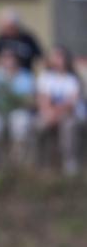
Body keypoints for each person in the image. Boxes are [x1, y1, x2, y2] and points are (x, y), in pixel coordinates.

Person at [0, 47, 36, 168]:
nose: (8, 60)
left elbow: (29, 100)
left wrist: (15, 101)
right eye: (5, 57)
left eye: (11, 57)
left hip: (18, 110)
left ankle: (17, 162)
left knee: (20, 124)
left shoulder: (26, 76)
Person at [35, 45, 83, 176]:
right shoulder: (45, 77)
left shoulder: (72, 79)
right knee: (38, 126)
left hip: (68, 115)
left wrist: (55, 114)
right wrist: (49, 113)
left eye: (59, 56)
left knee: (68, 126)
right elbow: (42, 99)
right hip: (48, 114)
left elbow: (71, 103)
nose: (56, 59)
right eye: (54, 56)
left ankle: (70, 164)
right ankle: (42, 164)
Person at [0, 7, 43, 72]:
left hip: (25, 73)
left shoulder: (27, 39)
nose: (6, 30)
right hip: (5, 73)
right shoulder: (0, 39)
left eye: (9, 27)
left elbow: (40, 56)